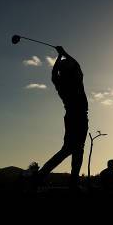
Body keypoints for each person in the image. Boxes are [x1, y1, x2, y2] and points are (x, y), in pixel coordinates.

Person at [37, 46, 89, 190]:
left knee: (70, 149)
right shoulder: (76, 81)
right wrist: (63, 53)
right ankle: (46, 175)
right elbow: (76, 64)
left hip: (70, 116)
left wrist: (59, 58)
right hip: (80, 117)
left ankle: (44, 175)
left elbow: (54, 73)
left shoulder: (60, 83)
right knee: (74, 149)